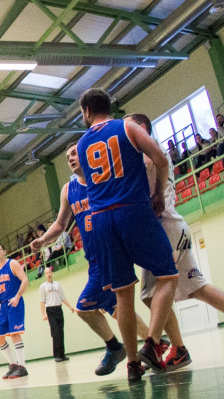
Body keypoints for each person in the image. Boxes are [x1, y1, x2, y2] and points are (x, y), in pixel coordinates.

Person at [76, 88, 177, 383]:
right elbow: (160, 158)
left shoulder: (81, 145)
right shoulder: (128, 127)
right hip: (132, 210)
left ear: (86, 110)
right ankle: (153, 343)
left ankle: (132, 364)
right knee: (168, 276)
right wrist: (158, 192)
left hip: (102, 220)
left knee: (123, 295)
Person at [33, 143, 153, 377]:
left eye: (75, 153)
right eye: (67, 155)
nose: (70, 158)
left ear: (88, 154)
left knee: (83, 308)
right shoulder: (68, 190)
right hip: (94, 261)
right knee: (121, 311)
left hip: (112, 256)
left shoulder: (105, 178)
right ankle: (154, 347)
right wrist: (44, 240)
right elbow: (60, 224)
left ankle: (114, 347)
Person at [127, 113, 224, 371]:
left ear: (142, 128)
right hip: (173, 227)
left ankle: (161, 343)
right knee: (198, 288)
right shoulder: (150, 152)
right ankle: (179, 350)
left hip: (165, 229)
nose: (126, 130)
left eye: (130, 125)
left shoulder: (149, 150)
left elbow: (148, 162)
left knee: (150, 294)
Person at [0, 243, 28, 379]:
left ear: (4, 251)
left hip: (14, 301)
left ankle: (22, 367)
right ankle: (13, 365)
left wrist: (17, 297)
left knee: (14, 334)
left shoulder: (13, 264)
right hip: (3, 305)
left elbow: (25, 280)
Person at [39, 266, 75, 362]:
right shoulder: (43, 287)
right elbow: (42, 301)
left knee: (61, 332)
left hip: (59, 309)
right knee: (55, 332)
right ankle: (57, 355)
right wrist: (43, 314)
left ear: (52, 273)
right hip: (50, 310)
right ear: (45, 275)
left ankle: (62, 355)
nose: (48, 274)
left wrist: (70, 306)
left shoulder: (57, 284)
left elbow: (62, 297)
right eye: (46, 273)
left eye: (50, 272)